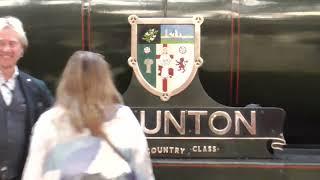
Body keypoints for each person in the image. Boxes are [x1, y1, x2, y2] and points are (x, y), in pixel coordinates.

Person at [22, 51, 155, 180]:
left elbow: (33, 172)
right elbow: (143, 169)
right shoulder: (123, 118)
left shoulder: (49, 121)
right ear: (106, 80)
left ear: (67, 80)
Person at [0, 16, 53, 180]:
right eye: (1, 43)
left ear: (22, 49)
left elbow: (53, 130)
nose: (6, 49)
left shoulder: (37, 88)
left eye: (12, 43)